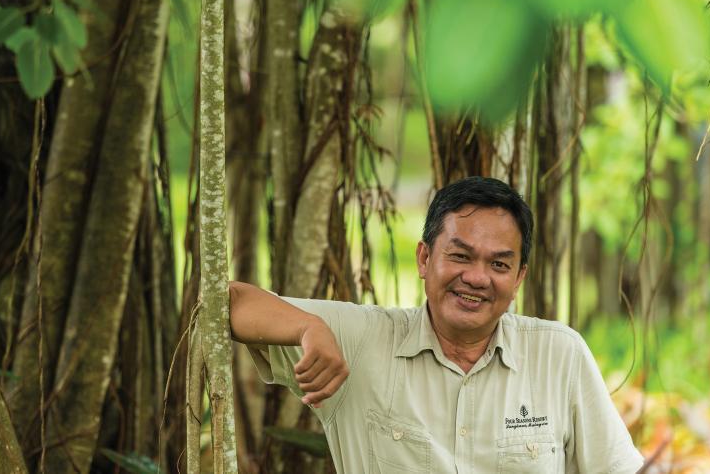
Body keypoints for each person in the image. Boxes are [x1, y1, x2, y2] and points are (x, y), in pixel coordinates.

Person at [230, 176, 644, 473]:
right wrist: (309, 327)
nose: (478, 278)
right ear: (424, 259)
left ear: (518, 279)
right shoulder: (363, 340)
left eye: (499, 264)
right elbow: (228, 302)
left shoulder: (559, 356)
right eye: (461, 256)